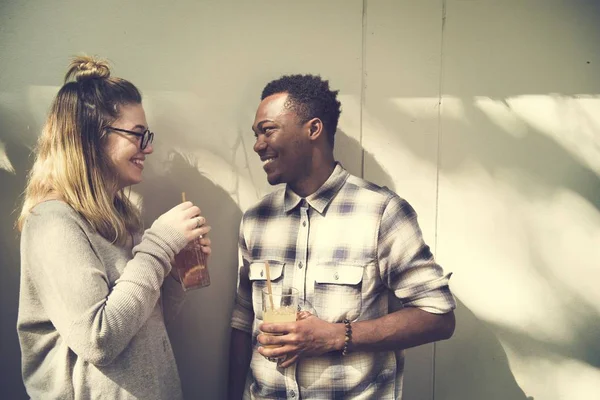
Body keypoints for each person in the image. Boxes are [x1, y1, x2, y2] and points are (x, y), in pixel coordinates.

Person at [229, 74, 456, 399]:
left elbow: (439, 316)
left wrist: (337, 336)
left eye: (268, 130)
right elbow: (243, 319)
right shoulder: (255, 220)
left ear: (313, 129)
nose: (257, 144)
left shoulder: (381, 213)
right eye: (255, 134)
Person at [16, 55, 211, 400]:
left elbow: (144, 322)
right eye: (138, 135)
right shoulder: (52, 222)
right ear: (91, 135)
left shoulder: (122, 217)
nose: (148, 148)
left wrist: (177, 272)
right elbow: (99, 339)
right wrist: (161, 244)